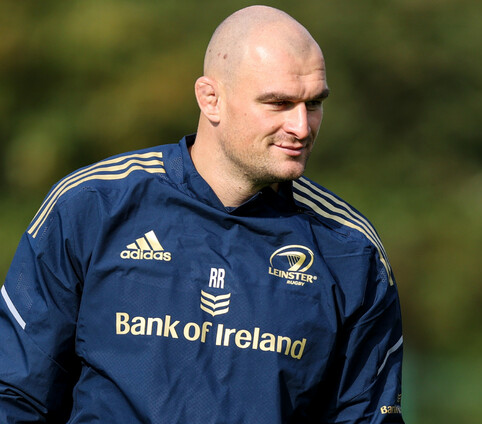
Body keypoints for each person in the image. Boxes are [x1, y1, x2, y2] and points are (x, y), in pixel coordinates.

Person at [0, 5, 404, 423]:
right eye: (279, 103)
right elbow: (14, 394)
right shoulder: (92, 206)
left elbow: (366, 416)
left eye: (314, 103)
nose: (302, 127)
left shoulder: (350, 249)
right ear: (211, 99)